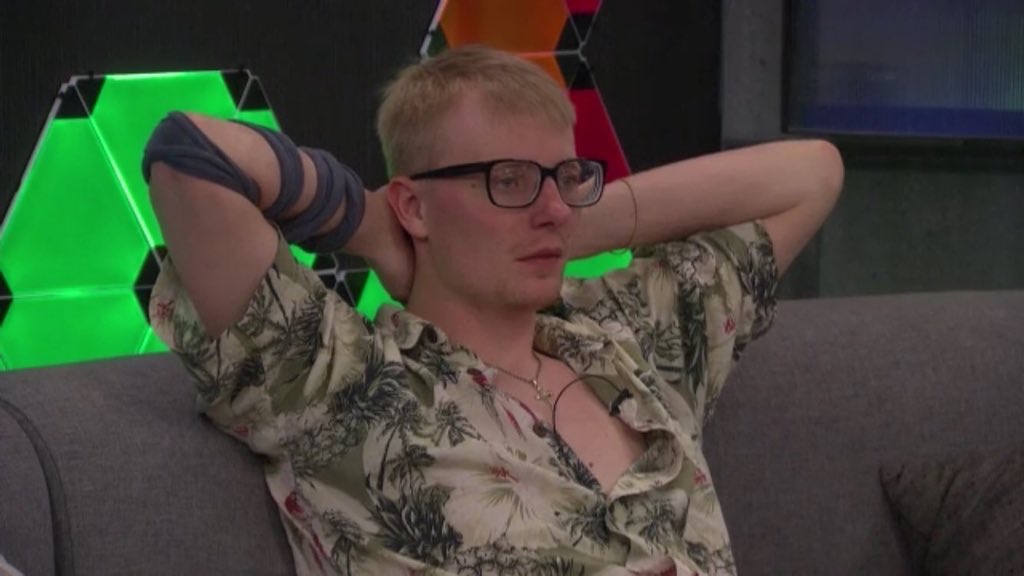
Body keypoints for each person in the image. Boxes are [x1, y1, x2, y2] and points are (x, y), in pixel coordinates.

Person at [144, 45, 842, 575]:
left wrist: (570, 224)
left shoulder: (629, 332)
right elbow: (192, 154)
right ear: (414, 205)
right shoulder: (341, 381)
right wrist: (371, 226)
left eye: (565, 177)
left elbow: (812, 174)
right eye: (508, 180)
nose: (551, 206)